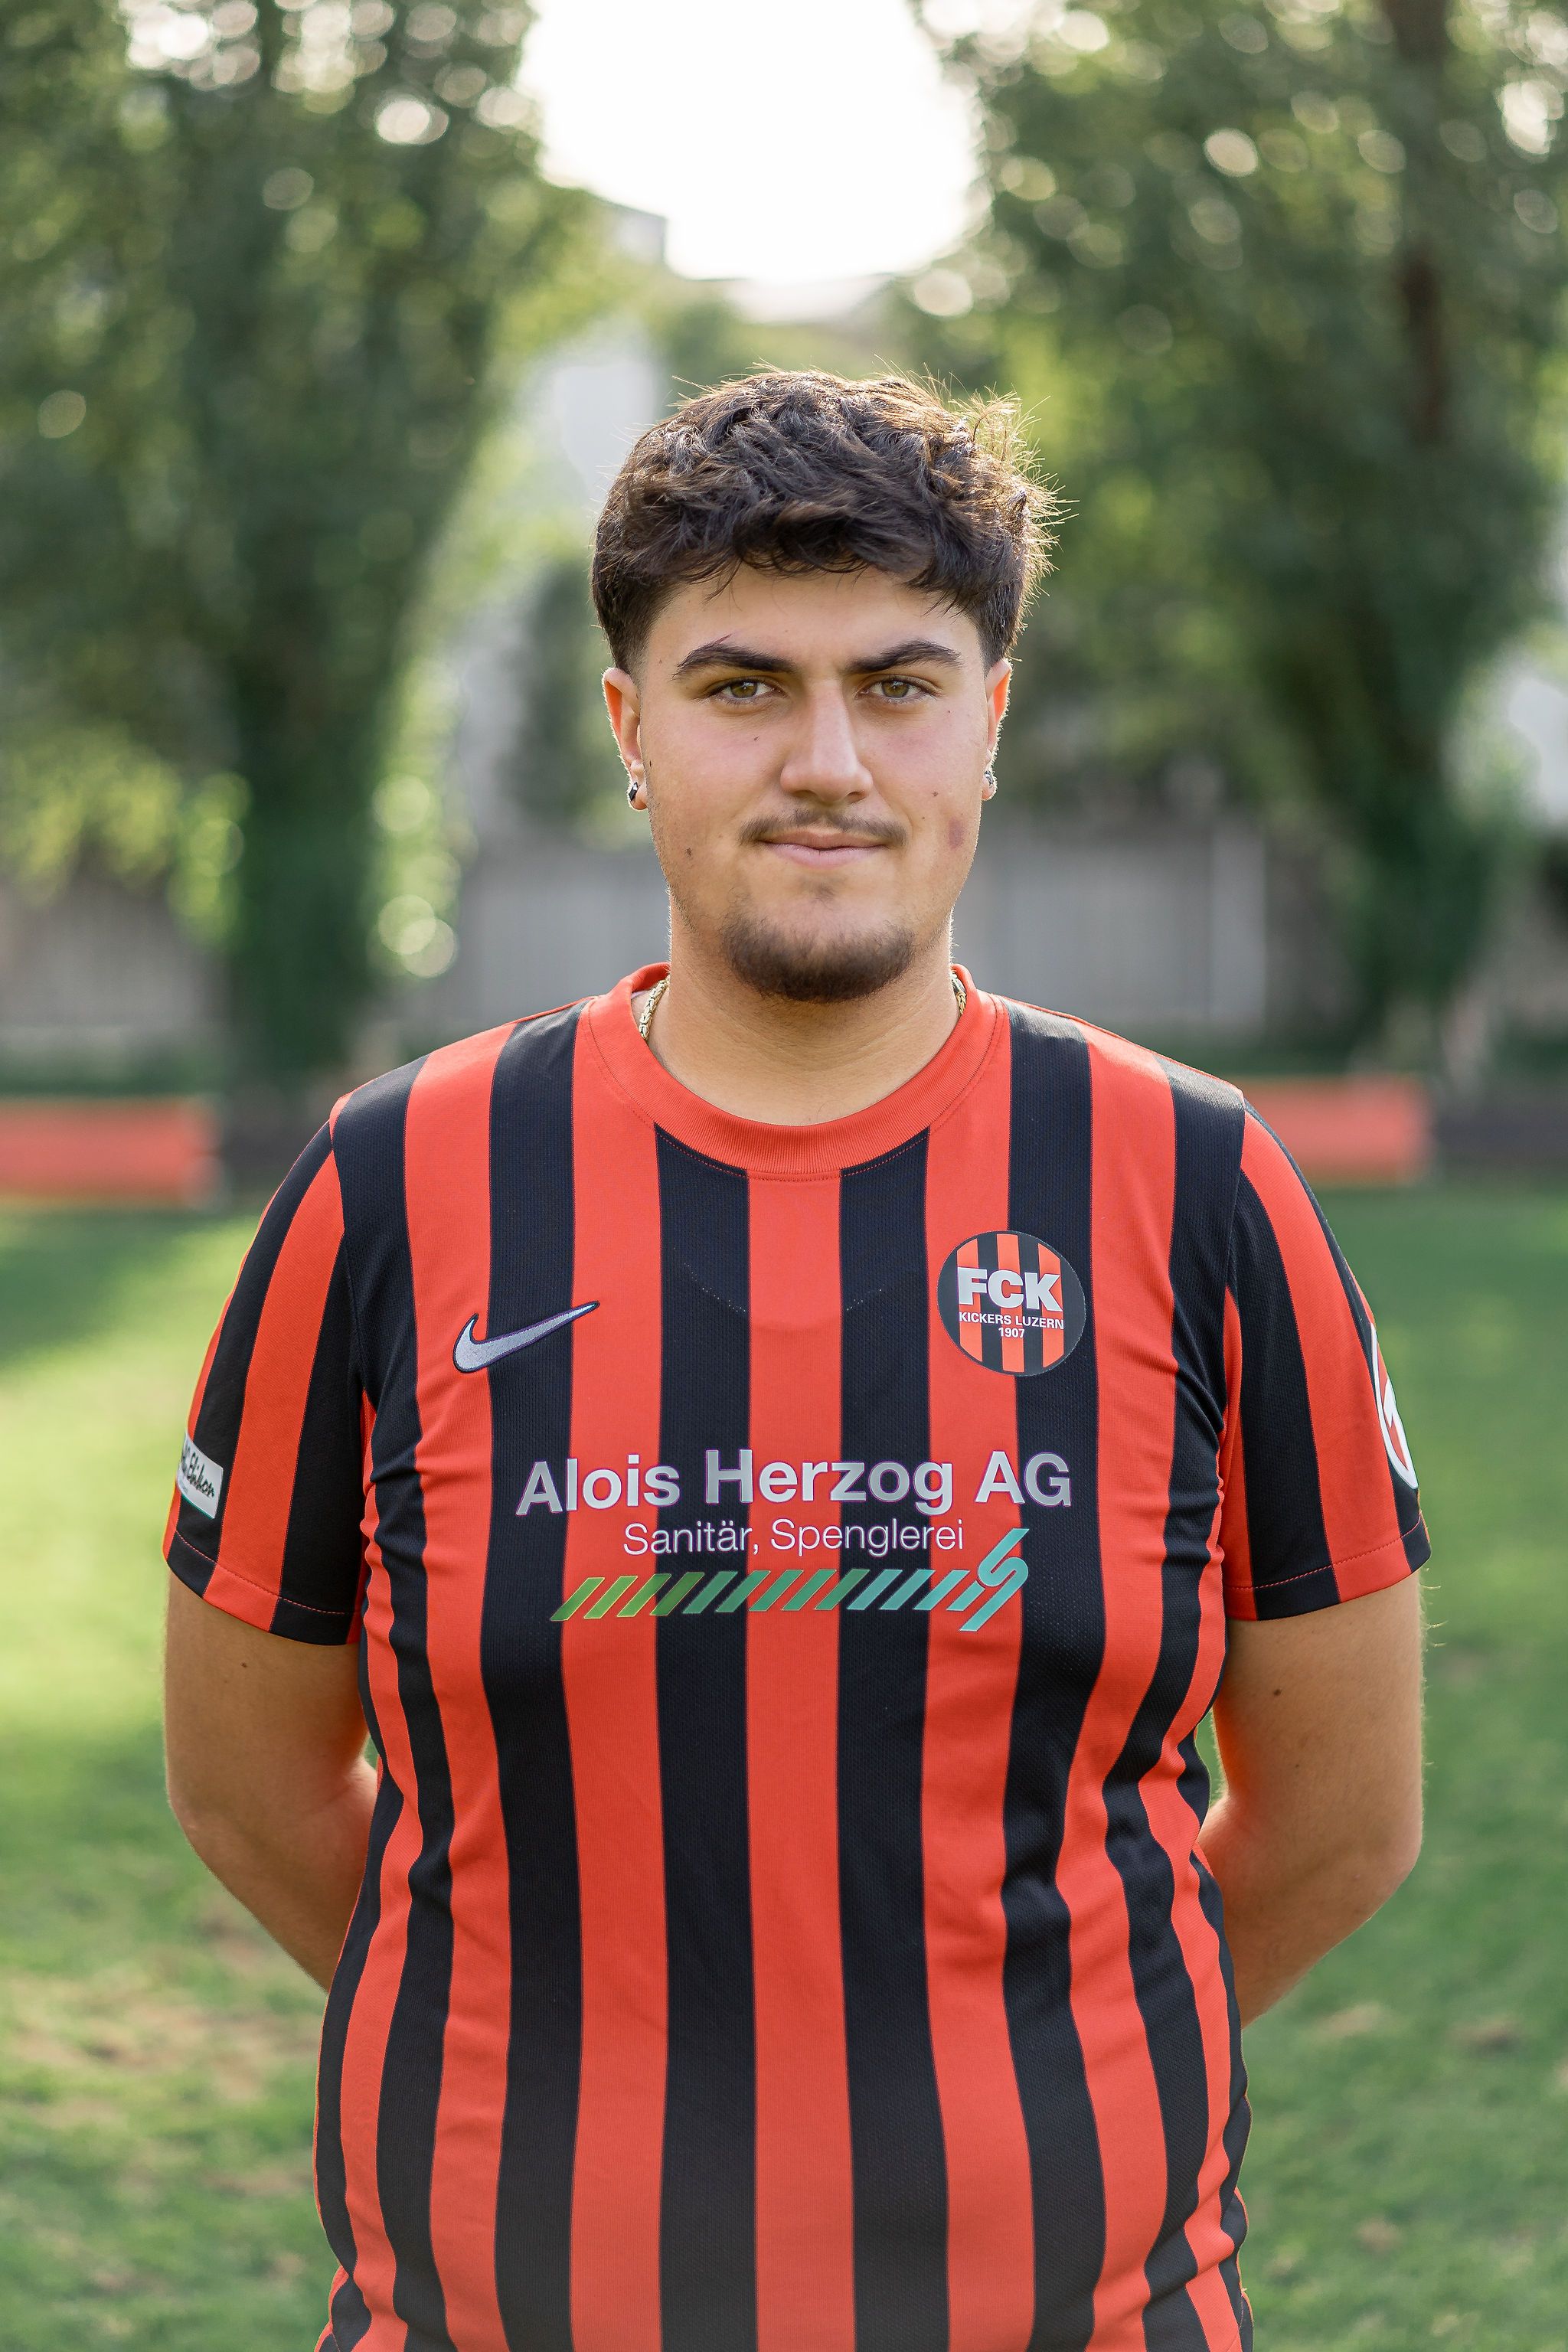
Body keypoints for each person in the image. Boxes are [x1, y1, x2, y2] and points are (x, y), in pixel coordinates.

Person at [162, 372, 1427, 2352]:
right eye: (743, 685)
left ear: (988, 722)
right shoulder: (394, 1187)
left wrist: (1033, 2070)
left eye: (899, 685)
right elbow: (250, 1791)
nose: (827, 761)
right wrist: (553, 2062)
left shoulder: (1198, 1187)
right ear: (630, 730)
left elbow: (1343, 1821)